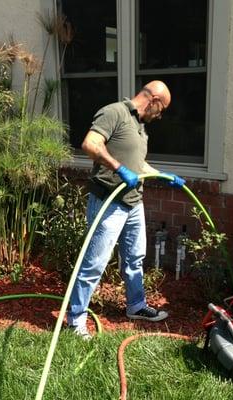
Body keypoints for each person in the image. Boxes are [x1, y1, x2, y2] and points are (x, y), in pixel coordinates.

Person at [66, 80, 186, 339]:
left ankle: (136, 306)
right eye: (161, 108)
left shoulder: (140, 128)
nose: (161, 114)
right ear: (153, 100)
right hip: (108, 201)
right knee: (94, 264)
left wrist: (162, 175)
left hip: (133, 203)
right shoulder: (114, 113)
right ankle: (75, 320)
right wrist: (118, 168)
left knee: (134, 258)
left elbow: (138, 165)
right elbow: (90, 144)